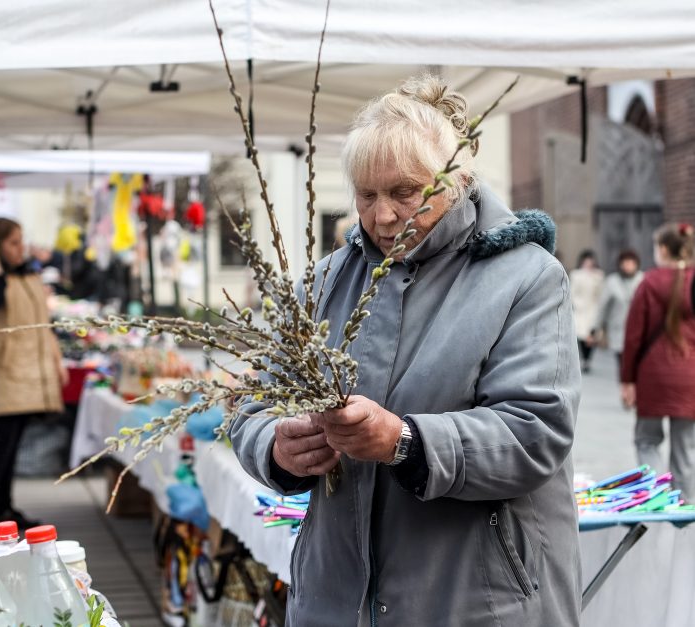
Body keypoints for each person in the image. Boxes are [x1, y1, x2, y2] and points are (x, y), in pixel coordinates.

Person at [230, 75, 581, 626]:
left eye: (404, 192)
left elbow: (535, 432)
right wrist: (275, 447)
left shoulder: (527, 279)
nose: (383, 216)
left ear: (459, 179)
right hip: (338, 602)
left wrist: (406, 441)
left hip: (476, 603)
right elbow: (252, 406)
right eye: (366, 195)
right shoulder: (324, 284)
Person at [0, 217, 67, 530]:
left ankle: (3, 509)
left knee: (9, 444)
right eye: (12, 243)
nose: (21, 249)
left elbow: (43, 325)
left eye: (21, 241)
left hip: (24, 375)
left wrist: (55, 359)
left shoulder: (25, 276)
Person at [621, 224, 695, 500]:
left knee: (647, 439)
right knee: (685, 446)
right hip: (689, 375)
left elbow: (633, 337)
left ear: (663, 249)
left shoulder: (649, 282)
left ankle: (657, 496)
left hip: (652, 375)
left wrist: (627, 380)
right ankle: (685, 504)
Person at [593, 249, 643, 368]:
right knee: (623, 364)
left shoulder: (643, 279)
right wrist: (596, 328)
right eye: (625, 263)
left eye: (631, 263)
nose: (628, 266)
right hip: (618, 330)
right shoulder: (612, 281)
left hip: (639, 330)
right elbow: (603, 307)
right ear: (620, 264)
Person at [570, 249, 605, 372]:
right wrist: (576, 304)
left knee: (593, 334)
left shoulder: (598, 275)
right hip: (580, 309)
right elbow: (572, 291)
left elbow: (601, 293)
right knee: (581, 334)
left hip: (593, 308)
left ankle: (588, 359)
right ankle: (584, 358)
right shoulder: (576, 274)